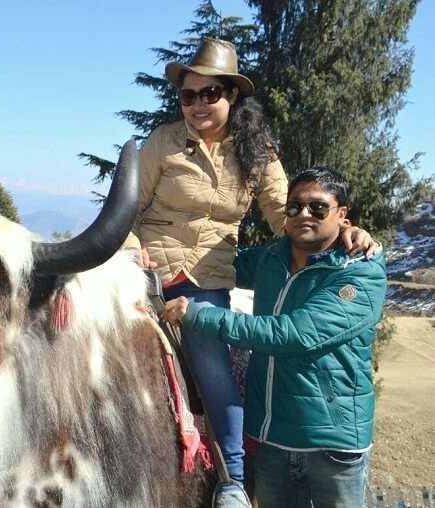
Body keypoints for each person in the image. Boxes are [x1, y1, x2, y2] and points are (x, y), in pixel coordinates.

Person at [123, 38, 376, 506]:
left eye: (209, 94)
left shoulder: (257, 152)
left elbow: (290, 215)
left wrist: (345, 231)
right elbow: (129, 209)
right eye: (187, 95)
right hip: (146, 264)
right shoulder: (163, 141)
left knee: (213, 367)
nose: (196, 104)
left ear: (231, 96)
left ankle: (233, 478)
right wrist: (134, 248)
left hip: (208, 275)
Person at [164, 167, 387, 508]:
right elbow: (215, 266)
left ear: (342, 216)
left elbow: (293, 334)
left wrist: (197, 314)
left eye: (318, 208)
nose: (303, 215)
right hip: (270, 440)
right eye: (294, 207)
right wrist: (156, 254)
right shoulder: (272, 258)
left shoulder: (360, 272)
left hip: (331, 445)